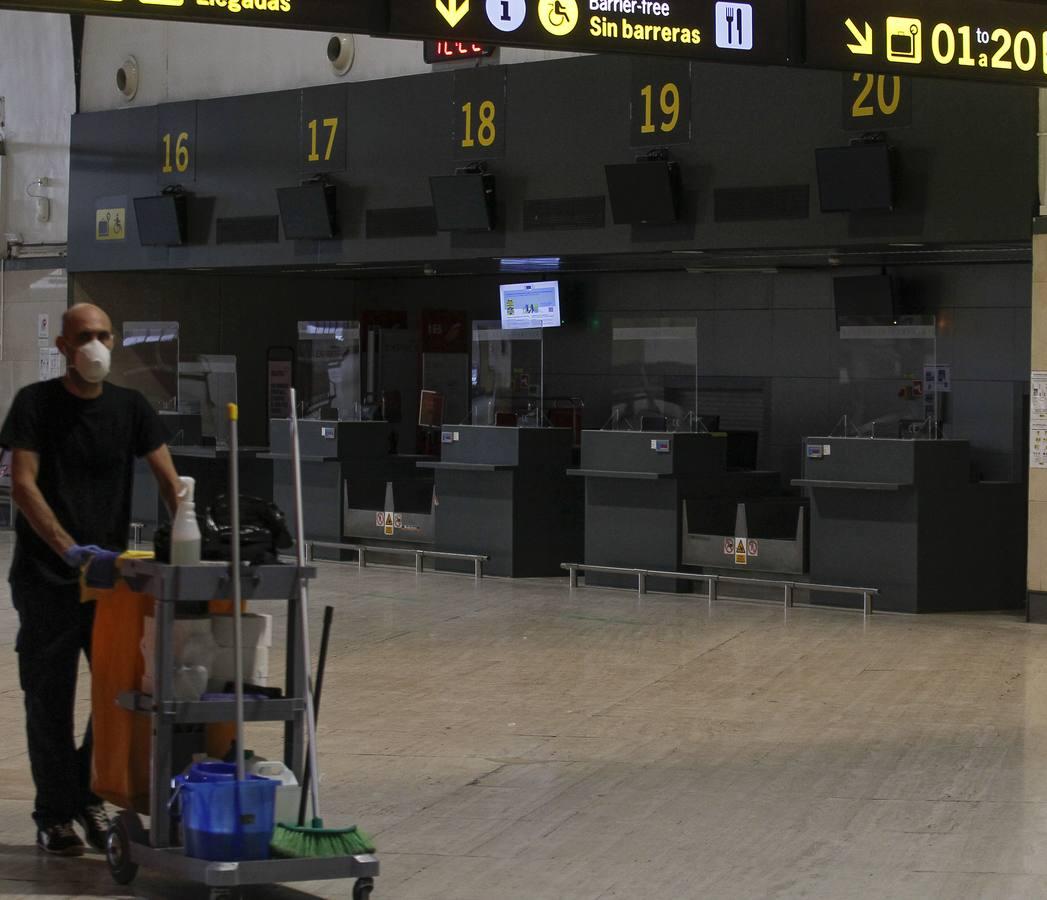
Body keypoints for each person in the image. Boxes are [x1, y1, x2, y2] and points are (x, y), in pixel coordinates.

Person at [0, 303, 181, 856]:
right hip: (46, 579)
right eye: (85, 337)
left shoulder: (131, 408)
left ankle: (84, 797)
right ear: (63, 346)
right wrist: (68, 550)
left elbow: (170, 479)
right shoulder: (35, 404)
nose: (96, 346)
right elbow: (24, 484)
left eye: (104, 335)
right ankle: (54, 815)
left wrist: (196, 538)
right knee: (48, 700)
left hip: (111, 584)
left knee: (115, 698)